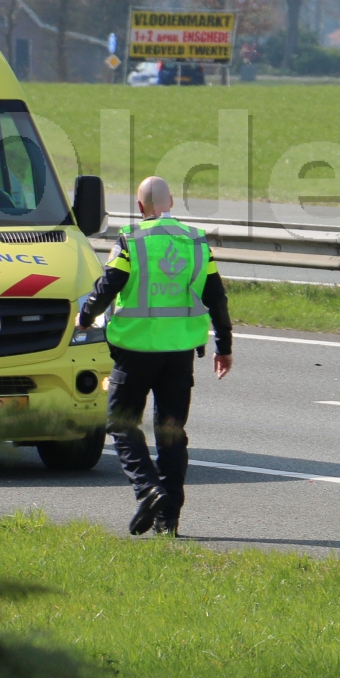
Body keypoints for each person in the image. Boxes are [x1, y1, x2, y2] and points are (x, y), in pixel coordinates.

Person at [74, 175, 233, 536]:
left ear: (140, 206)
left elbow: (108, 285)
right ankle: (169, 521)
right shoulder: (196, 242)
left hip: (135, 352)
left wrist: (85, 318)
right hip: (178, 352)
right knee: (172, 432)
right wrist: (224, 346)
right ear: (171, 203)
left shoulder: (132, 241)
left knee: (120, 423)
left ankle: (148, 489)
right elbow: (216, 296)